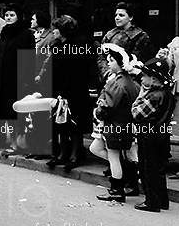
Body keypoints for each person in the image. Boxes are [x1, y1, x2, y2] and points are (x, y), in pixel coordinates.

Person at [43, 16, 94, 171]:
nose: (53, 32)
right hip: (58, 89)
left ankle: (76, 153)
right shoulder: (56, 45)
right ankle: (63, 153)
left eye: (56, 29)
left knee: (74, 123)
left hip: (75, 90)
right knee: (60, 122)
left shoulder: (79, 45)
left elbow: (84, 70)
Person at [92, 44, 140, 203]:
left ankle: (117, 191)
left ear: (119, 63)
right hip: (124, 125)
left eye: (111, 60)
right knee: (108, 154)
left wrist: (98, 111)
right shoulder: (130, 81)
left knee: (113, 157)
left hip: (115, 126)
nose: (108, 64)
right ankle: (124, 183)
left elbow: (107, 107)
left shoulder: (118, 83)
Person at [0, 3, 35, 155]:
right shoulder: (4, 32)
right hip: (1, 77)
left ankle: (17, 144)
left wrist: (27, 80)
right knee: (3, 111)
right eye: (6, 15)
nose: (8, 18)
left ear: (18, 16)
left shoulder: (27, 34)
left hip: (17, 79)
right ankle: (7, 141)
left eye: (12, 15)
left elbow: (30, 59)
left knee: (15, 112)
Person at [131, 57, 173, 212]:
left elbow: (136, 113)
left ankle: (152, 202)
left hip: (149, 136)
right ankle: (162, 201)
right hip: (162, 136)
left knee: (147, 169)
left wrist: (141, 95)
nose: (141, 78)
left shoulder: (153, 96)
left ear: (153, 78)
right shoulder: (167, 93)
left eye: (144, 75)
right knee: (160, 170)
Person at [97, 2, 153, 82]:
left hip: (129, 80)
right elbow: (101, 57)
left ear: (130, 17)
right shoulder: (109, 35)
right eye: (116, 15)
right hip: (108, 79)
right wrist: (108, 74)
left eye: (121, 15)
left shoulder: (140, 36)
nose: (117, 18)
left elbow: (138, 60)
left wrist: (120, 74)